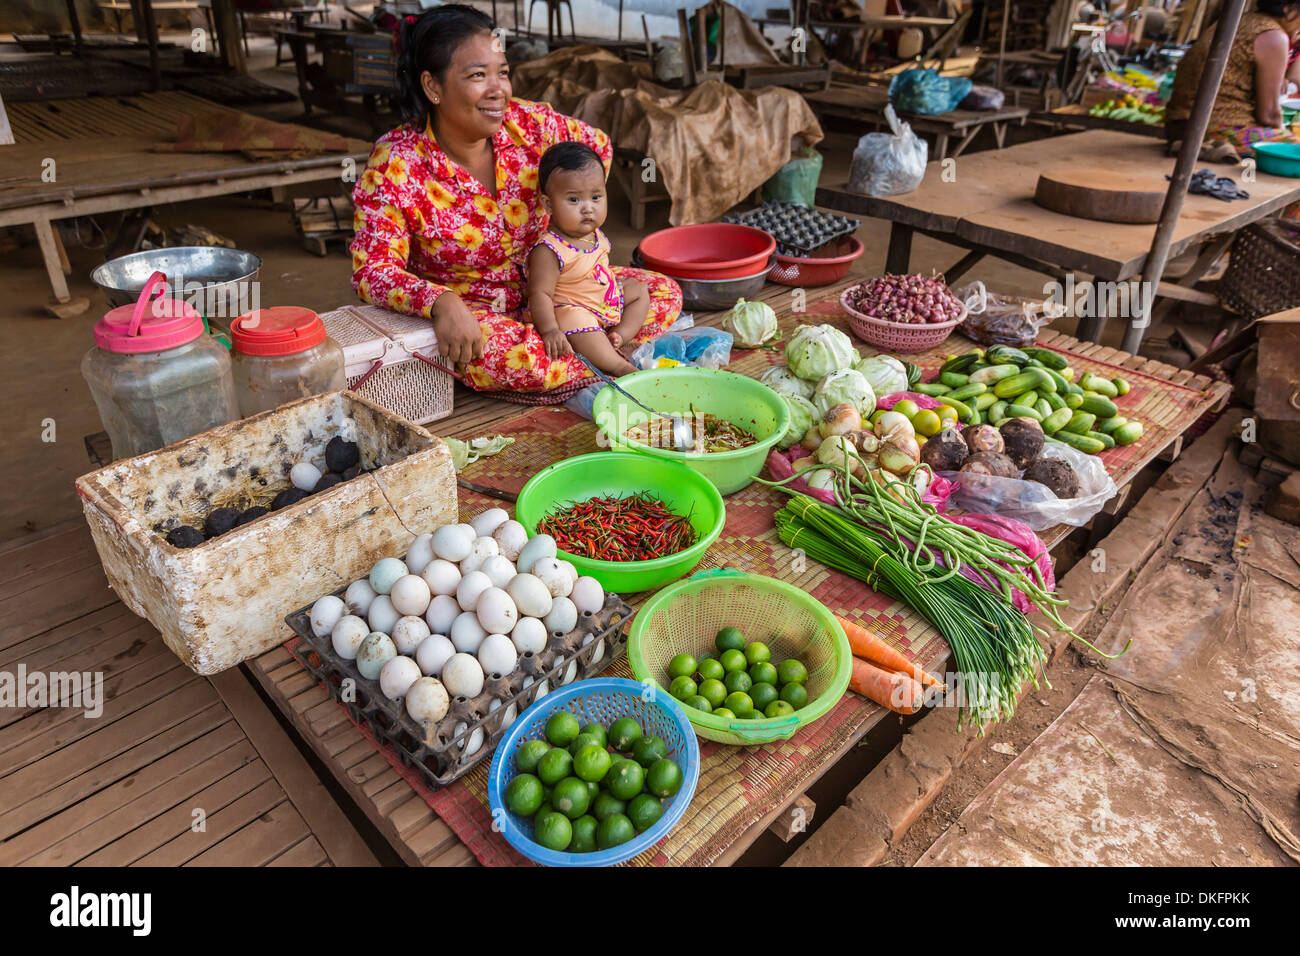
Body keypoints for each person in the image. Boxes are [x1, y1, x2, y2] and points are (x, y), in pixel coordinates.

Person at [349, 5, 681, 393]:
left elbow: (598, 148)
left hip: (563, 295)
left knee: (662, 292)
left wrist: (569, 211)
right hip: (481, 317)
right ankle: (607, 356)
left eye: (502, 73)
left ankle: (596, 355)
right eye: (478, 75)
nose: (499, 91)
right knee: (520, 360)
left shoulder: (530, 124)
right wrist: (441, 302)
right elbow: (372, 271)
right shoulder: (395, 162)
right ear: (433, 86)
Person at [527, 142, 647, 377]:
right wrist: (550, 330)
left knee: (639, 290)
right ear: (549, 204)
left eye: (595, 197)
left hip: (603, 301)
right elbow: (540, 294)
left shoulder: (594, 233)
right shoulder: (550, 249)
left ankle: (619, 336)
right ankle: (618, 365)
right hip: (574, 309)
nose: (588, 209)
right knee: (574, 321)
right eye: (574, 200)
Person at [1166, 0, 1300, 157]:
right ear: (1288, 8)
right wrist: (1283, 137)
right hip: (1212, 130)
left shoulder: (1242, 20)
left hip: (1178, 126)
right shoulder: (1273, 36)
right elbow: (1269, 116)